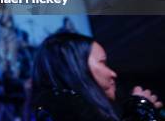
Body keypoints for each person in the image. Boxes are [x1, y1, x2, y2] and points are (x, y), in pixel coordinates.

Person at [32, 32, 163, 120]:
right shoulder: (60, 106)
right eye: (103, 62)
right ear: (76, 67)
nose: (113, 73)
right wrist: (140, 108)